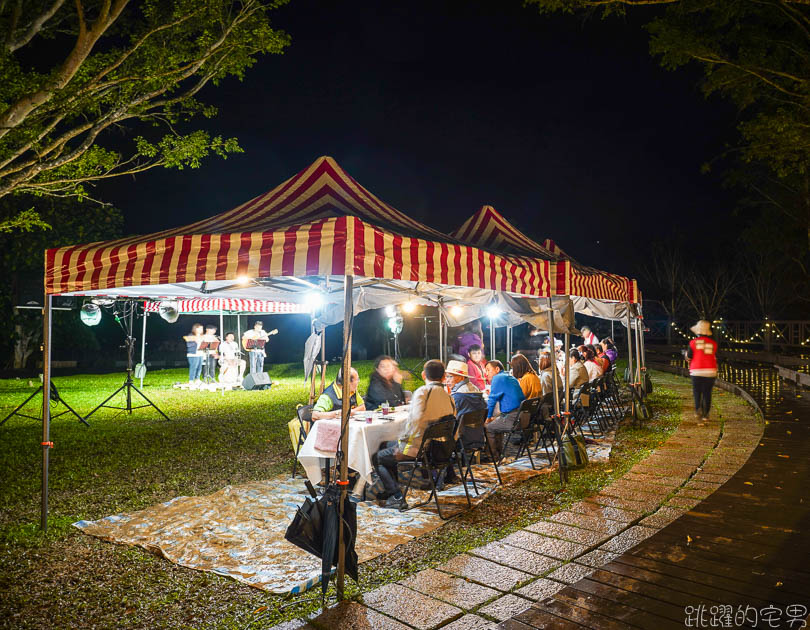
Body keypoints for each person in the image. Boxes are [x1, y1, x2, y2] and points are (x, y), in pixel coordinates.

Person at [372, 360, 455, 510]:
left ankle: (396, 495)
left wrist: (403, 447)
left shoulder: (423, 392)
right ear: (443, 377)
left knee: (377, 457)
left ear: (423, 375)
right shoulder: (448, 396)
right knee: (384, 445)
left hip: (421, 449)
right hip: (440, 449)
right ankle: (391, 487)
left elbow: (415, 423)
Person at [484, 360, 526, 453]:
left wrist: (488, 417)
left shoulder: (497, 378)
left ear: (497, 369)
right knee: (496, 422)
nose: (486, 374)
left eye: (488, 370)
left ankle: (493, 456)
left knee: (488, 427)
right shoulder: (510, 377)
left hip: (513, 418)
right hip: (523, 417)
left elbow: (492, 401)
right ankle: (499, 452)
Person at [686, 320, 718, 420]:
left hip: (696, 371)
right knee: (707, 393)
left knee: (697, 391)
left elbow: (689, 357)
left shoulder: (692, 343)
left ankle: (697, 409)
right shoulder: (713, 343)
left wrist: (686, 357)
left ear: (697, 331)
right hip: (710, 371)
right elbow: (716, 356)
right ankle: (706, 414)